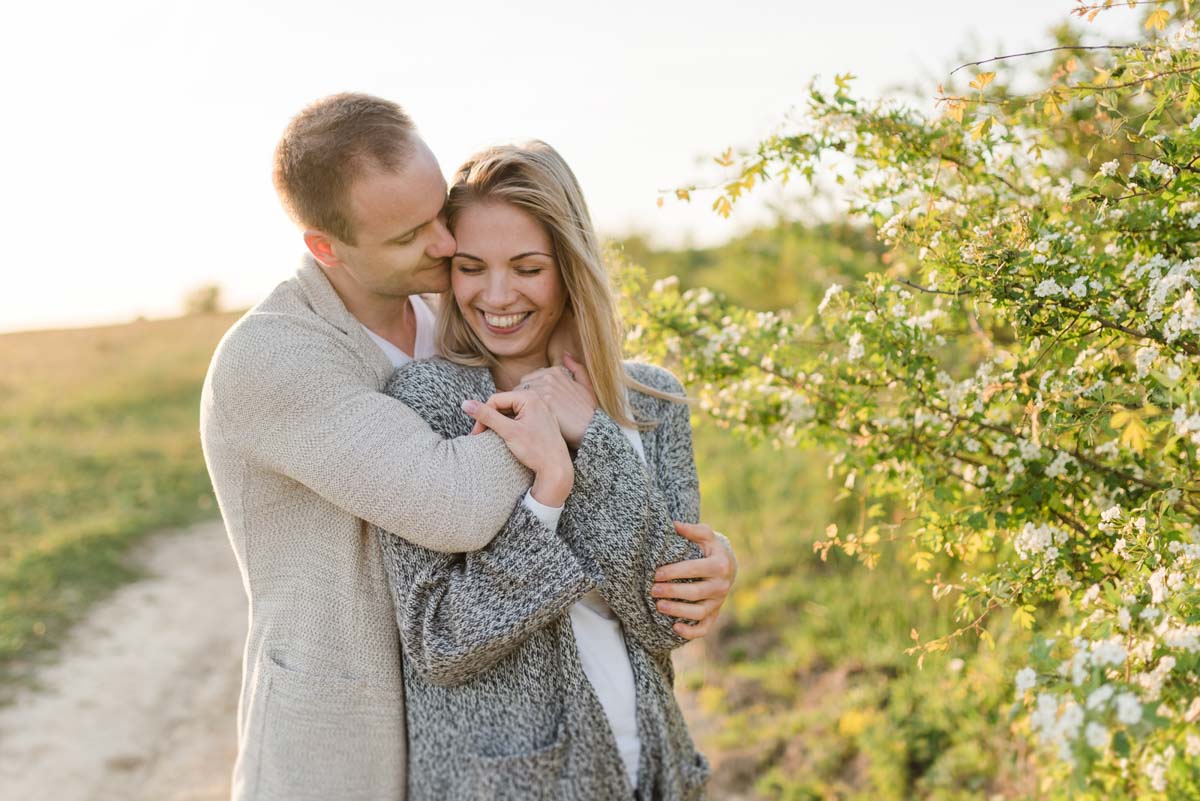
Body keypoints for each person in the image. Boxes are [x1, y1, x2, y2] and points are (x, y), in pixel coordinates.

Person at [199, 92, 737, 801]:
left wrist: (700, 561)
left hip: (585, 748)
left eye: (439, 215)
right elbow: (453, 508)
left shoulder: (447, 303)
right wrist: (554, 421)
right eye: (413, 236)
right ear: (328, 249)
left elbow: (659, 598)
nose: (447, 247)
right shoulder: (276, 358)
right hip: (343, 750)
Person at [374, 141, 711, 801]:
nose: (496, 296)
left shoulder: (649, 401)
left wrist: (598, 439)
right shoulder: (427, 403)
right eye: (471, 267)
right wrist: (549, 495)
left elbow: (669, 618)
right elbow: (441, 641)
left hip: (652, 767)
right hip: (505, 785)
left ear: (569, 267)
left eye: (527, 267)